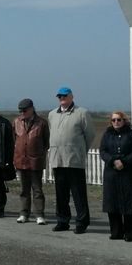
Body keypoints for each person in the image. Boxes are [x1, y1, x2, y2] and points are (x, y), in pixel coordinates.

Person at [48, 87, 91, 234]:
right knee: (61, 193)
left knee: (78, 193)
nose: (62, 98)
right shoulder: (52, 114)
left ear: (72, 96)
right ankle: (63, 221)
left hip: (74, 160)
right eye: (59, 96)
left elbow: (89, 135)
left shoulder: (81, 113)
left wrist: (80, 150)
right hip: (57, 160)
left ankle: (82, 222)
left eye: (65, 96)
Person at [99, 111, 132, 242]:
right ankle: (116, 231)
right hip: (111, 173)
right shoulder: (107, 134)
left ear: (124, 120)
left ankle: (131, 233)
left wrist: (124, 161)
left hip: (128, 172)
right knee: (112, 202)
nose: (116, 122)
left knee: (130, 202)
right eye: (113, 120)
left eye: (119, 120)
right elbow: (103, 151)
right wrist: (112, 161)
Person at [13, 98, 50, 224]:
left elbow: (46, 142)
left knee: (37, 189)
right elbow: (14, 139)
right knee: (24, 189)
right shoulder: (16, 122)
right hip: (21, 160)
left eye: (24, 110)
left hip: (36, 161)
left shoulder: (42, 123)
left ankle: (39, 214)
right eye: (20, 111)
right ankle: (24, 213)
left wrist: (39, 154)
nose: (22, 113)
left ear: (31, 109)